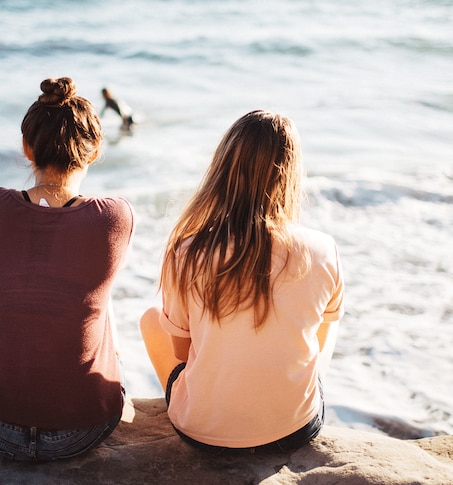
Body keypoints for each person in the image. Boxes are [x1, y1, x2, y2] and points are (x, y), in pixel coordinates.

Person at [140, 110, 344, 453]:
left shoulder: (186, 251)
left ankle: (207, 407)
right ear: (291, 174)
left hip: (202, 433)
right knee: (328, 324)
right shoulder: (322, 249)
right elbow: (318, 338)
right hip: (294, 428)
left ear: (222, 169)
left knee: (151, 319)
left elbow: (183, 352)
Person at [0, 77, 134, 461]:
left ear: (27, 147)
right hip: (83, 429)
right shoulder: (114, 217)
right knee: (98, 301)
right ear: (93, 153)